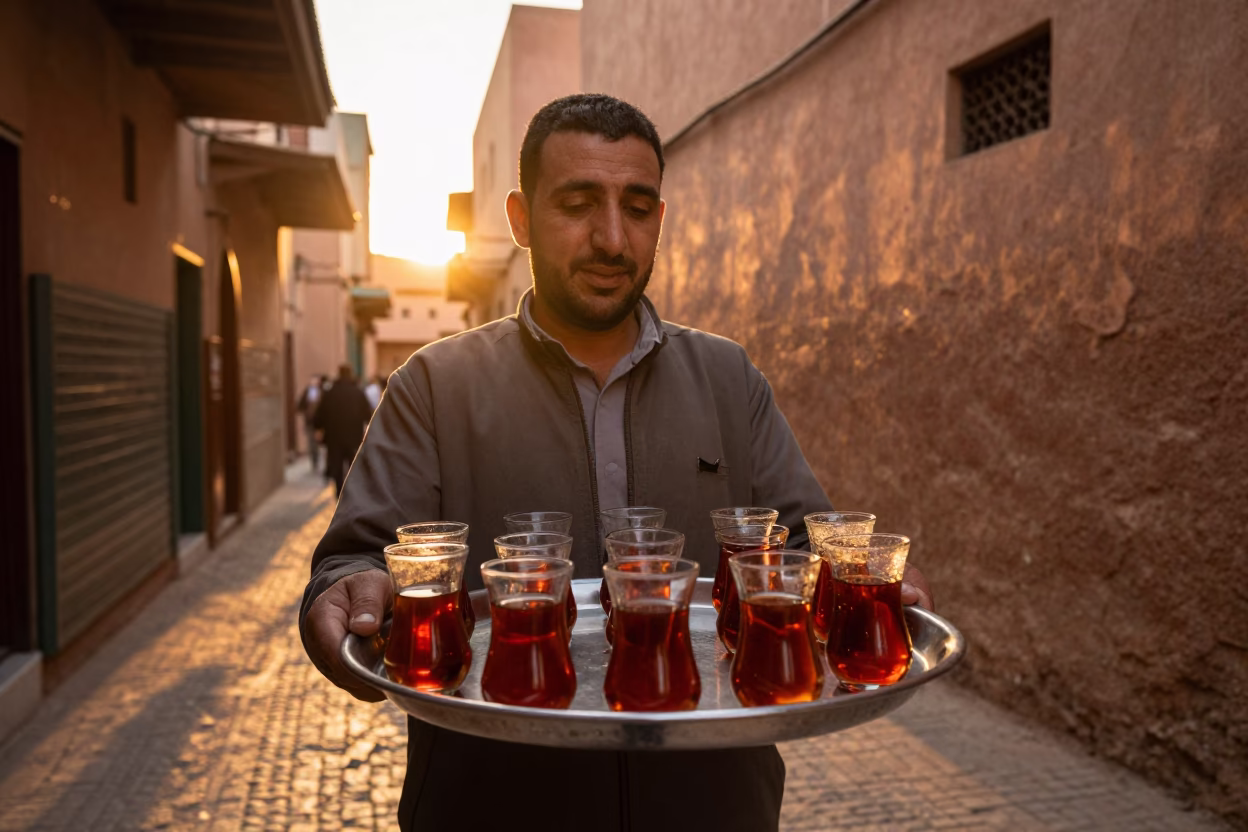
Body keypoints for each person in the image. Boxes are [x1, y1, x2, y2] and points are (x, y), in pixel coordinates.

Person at [301, 94, 934, 831]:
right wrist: (349, 593)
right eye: (578, 203)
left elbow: (803, 543)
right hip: (490, 808)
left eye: (637, 207)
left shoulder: (729, 378)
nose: (611, 237)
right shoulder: (436, 385)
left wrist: (858, 581)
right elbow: (353, 561)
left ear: (659, 220)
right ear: (521, 219)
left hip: (714, 807)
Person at [312, 364, 372, 497]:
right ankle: (353, 494)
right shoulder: (358, 392)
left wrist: (318, 429)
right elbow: (368, 414)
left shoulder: (330, 392)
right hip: (354, 436)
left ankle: (339, 494)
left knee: (336, 466)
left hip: (334, 437)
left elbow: (320, 414)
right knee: (353, 465)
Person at [296, 374, 323, 472]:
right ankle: (314, 461)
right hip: (310, 422)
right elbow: (300, 406)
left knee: (318, 443)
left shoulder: (322, 392)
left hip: (320, 423)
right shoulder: (307, 392)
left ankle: (317, 459)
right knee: (312, 443)